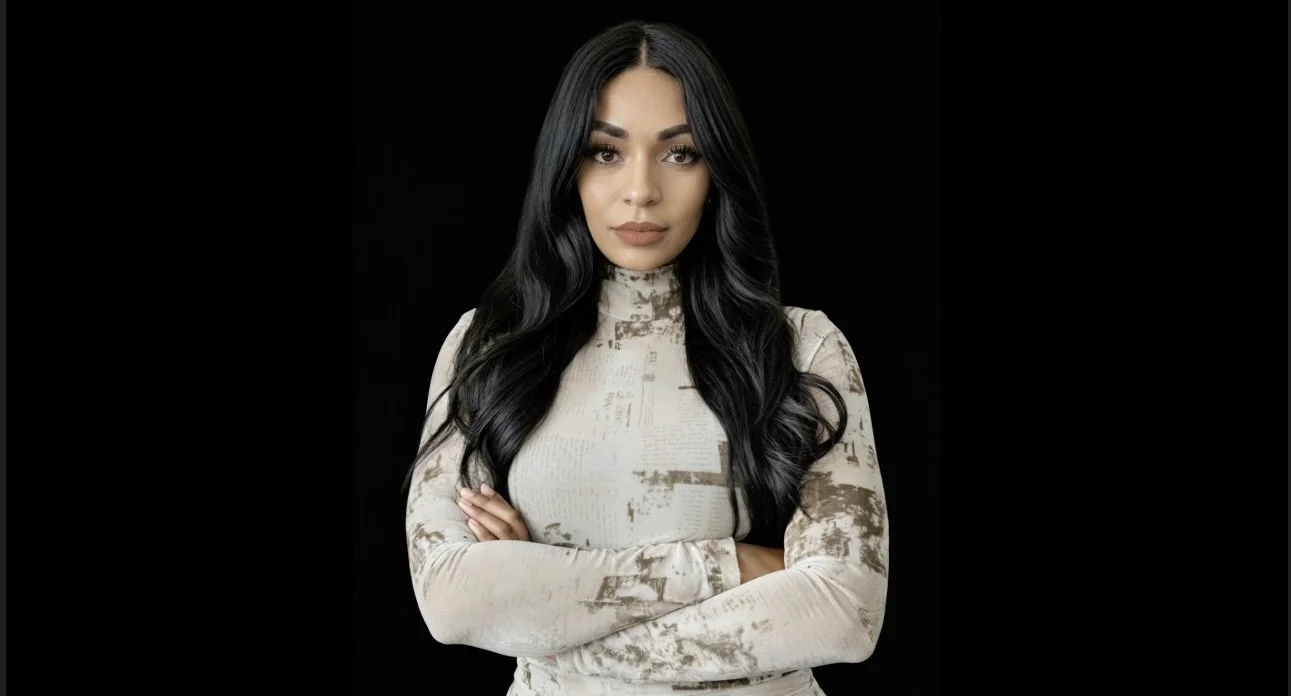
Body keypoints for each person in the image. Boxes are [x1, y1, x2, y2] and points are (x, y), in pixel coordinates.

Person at [404, 19, 888, 696]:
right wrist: (732, 566)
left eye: (680, 154)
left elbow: (843, 612)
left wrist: (549, 618)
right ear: (565, 166)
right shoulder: (487, 348)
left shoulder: (801, 346)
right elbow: (452, 599)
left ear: (717, 169)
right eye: (605, 152)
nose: (640, 190)